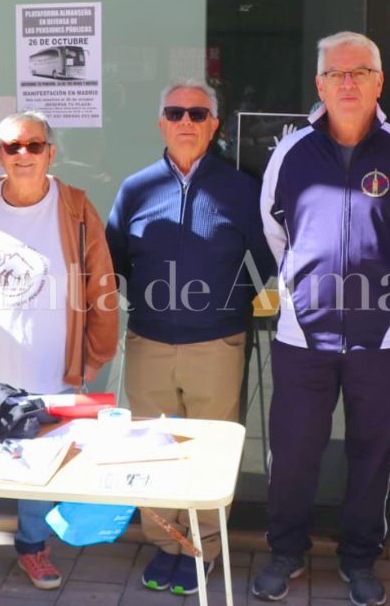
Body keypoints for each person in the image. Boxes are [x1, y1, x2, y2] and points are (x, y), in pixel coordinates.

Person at [254, 31, 390, 606]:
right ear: (319, 84)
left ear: (380, 83)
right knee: (295, 451)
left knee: (371, 453)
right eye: (336, 73)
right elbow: (275, 228)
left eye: (360, 72)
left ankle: (360, 559)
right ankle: (286, 552)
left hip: (386, 339)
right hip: (303, 334)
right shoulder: (291, 151)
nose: (348, 83)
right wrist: (303, 289)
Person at [0, 110, 119, 599]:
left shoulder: (75, 208)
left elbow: (102, 284)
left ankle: (34, 545)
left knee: (45, 460)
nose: (24, 154)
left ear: (51, 152)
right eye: (13, 147)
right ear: (0, 155)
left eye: (34, 145)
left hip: (54, 368)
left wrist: (94, 354)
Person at [106, 79, 275, 596]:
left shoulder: (242, 189)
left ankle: (202, 549)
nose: (186, 122)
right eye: (175, 113)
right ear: (160, 122)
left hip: (216, 344)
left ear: (214, 125)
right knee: (150, 451)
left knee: (207, 452)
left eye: (197, 114)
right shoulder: (136, 188)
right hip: (148, 340)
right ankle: (165, 543)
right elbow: (110, 262)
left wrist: (236, 307)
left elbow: (268, 263)